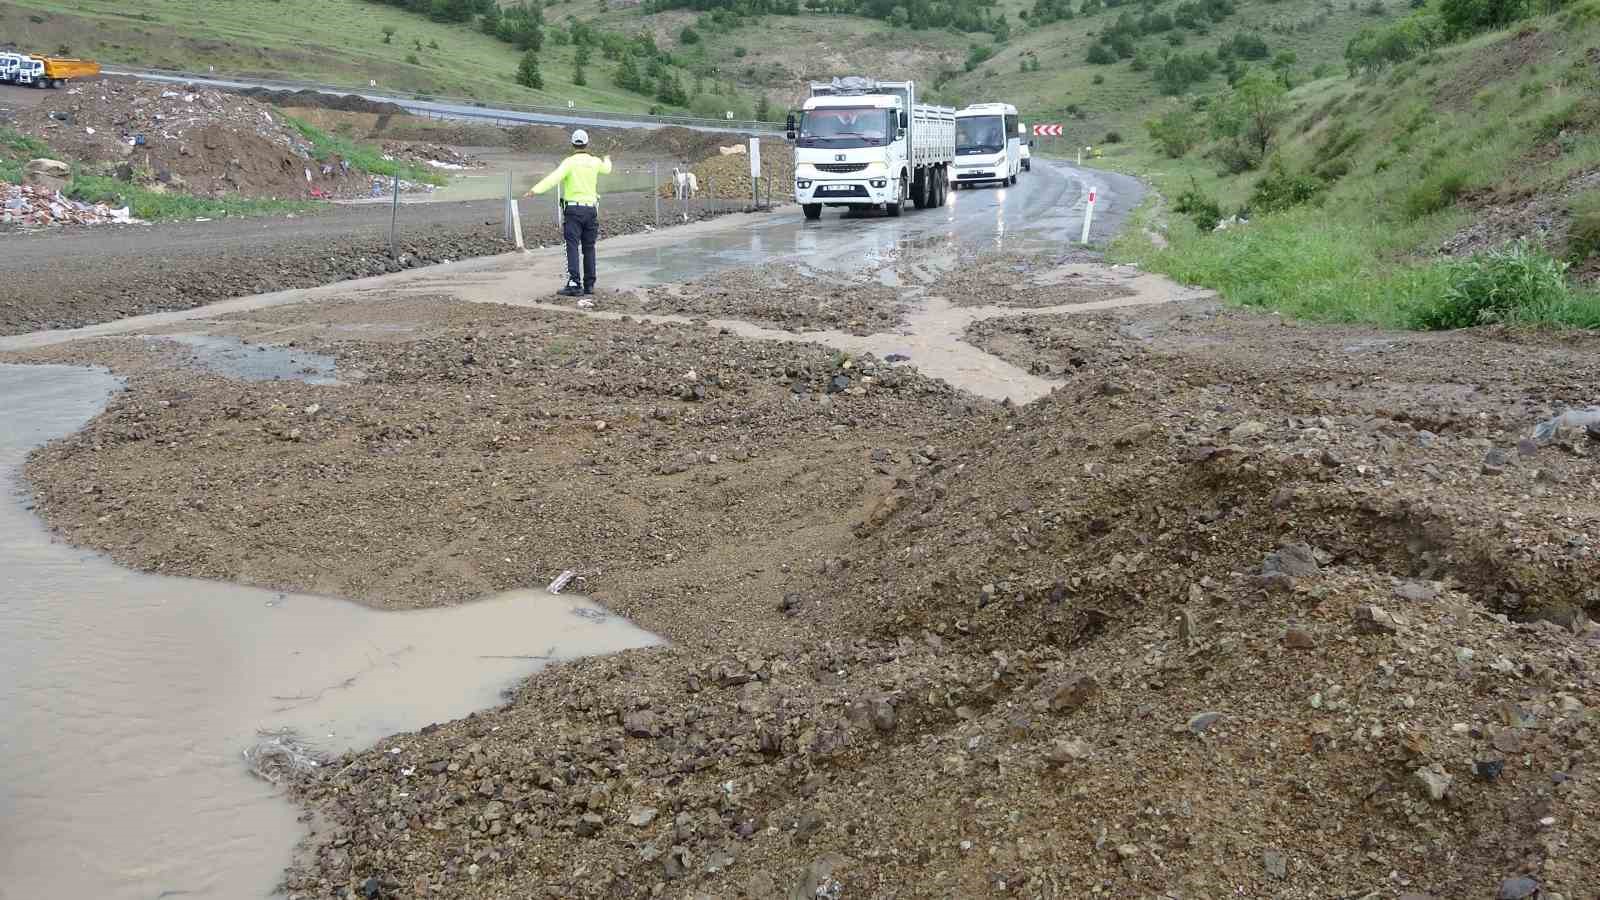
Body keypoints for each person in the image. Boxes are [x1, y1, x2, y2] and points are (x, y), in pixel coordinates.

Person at [526, 129, 613, 297]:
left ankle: (574, 283)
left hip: (573, 210)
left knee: (572, 247)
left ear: (573, 144)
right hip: (591, 210)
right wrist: (607, 157)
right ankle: (589, 285)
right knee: (589, 248)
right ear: (587, 144)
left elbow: (554, 178)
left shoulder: (569, 162)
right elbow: (607, 169)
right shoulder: (595, 162)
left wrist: (534, 190)